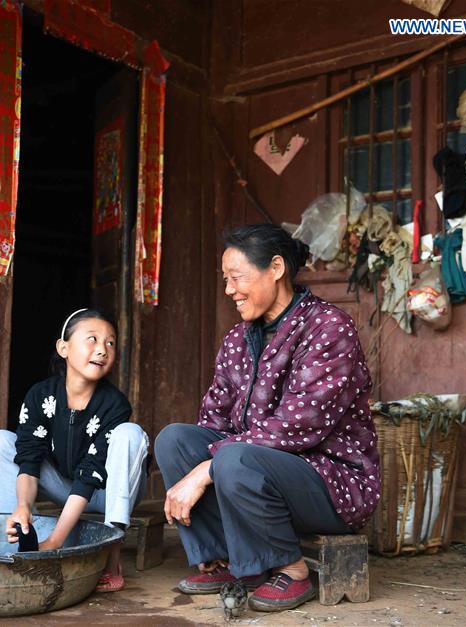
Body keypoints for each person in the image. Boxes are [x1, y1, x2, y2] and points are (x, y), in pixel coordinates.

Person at [156, 224, 380, 612]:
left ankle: (291, 570)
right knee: (175, 439)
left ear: (276, 268)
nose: (230, 290)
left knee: (231, 458)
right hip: (256, 471)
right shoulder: (236, 340)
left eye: (237, 278)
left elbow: (302, 425)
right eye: (226, 280)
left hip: (332, 482)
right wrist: (205, 463)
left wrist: (207, 470)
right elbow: (214, 417)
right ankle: (227, 558)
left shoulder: (329, 327)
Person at [0, 308, 150, 592]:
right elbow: (29, 459)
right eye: (92, 339)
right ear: (64, 348)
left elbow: (90, 476)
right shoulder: (40, 396)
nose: (102, 349)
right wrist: (23, 506)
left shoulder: (114, 404)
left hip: (110, 492)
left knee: (130, 434)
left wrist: (55, 542)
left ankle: (112, 551)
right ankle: (3, 540)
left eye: (110, 342)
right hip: (63, 483)